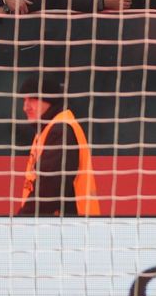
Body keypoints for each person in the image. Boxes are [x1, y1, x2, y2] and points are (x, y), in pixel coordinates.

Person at [13, 73, 99, 216]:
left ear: (50, 100)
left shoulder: (60, 131)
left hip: (69, 226)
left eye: (32, 99)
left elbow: (48, 192)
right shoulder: (47, 130)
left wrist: (22, 222)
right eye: (24, 100)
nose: (25, 107)